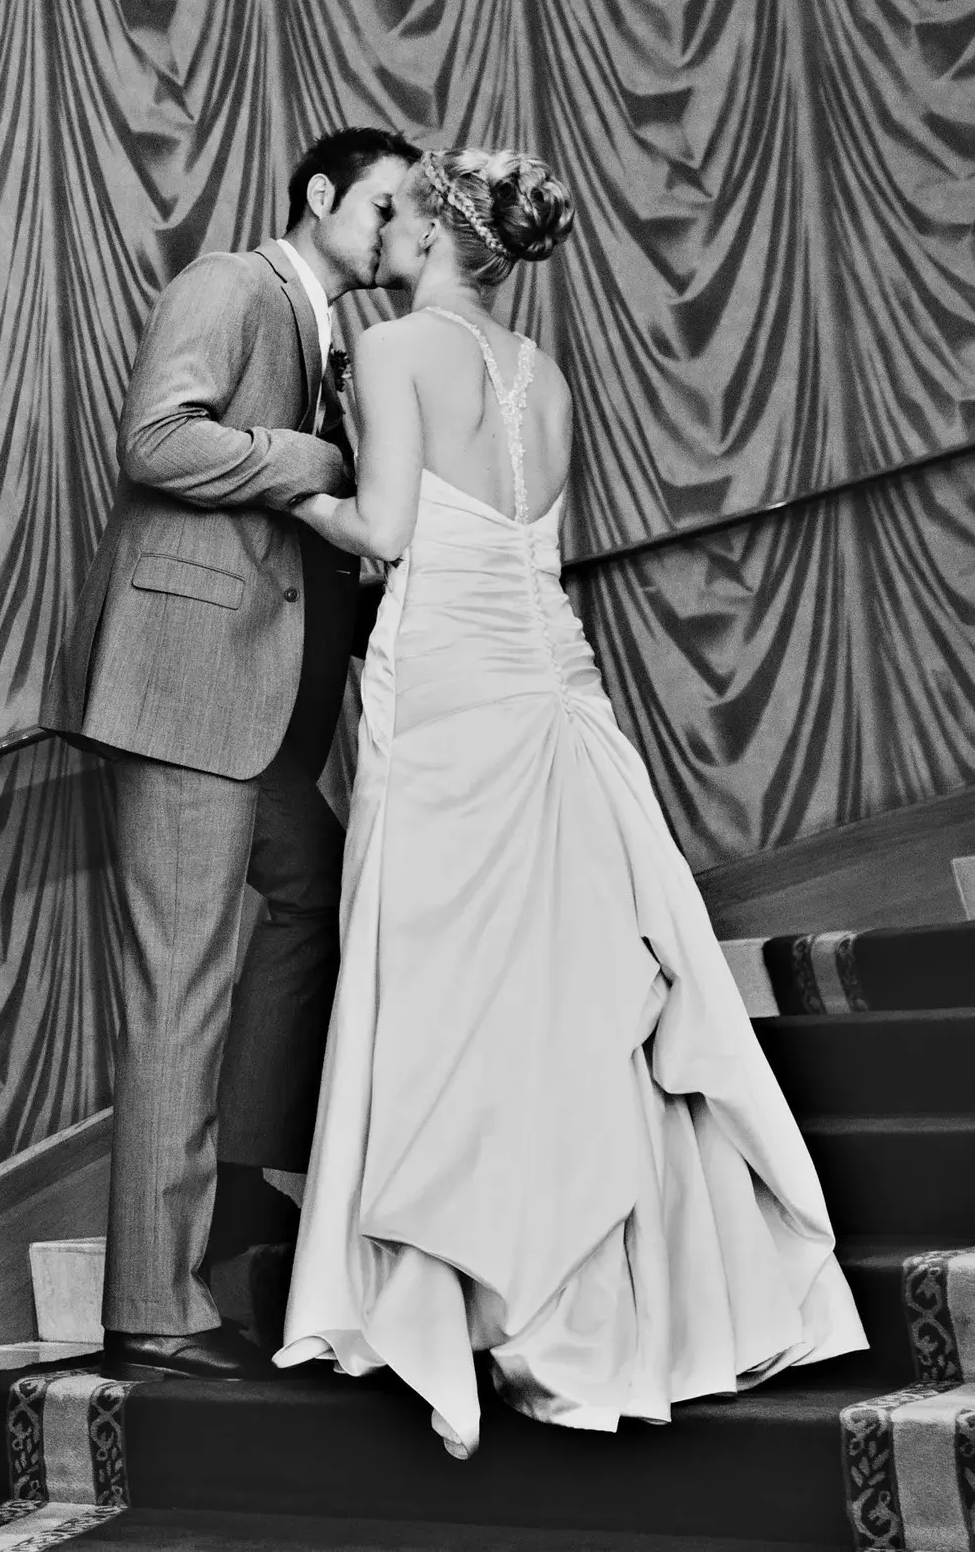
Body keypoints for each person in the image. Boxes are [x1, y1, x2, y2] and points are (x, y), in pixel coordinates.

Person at [276, 148, 866, 1454]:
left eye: (395, 208)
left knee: (447, 988)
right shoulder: (546, 370)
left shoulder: (392, 349)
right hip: (547, 673)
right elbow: (527, 538)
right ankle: (591, 1305)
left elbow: (385, 534)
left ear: (436, 227)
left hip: (443, 690)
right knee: (564, 983)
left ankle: (476, 1292)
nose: (379, 228)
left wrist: (286, 483)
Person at [44, 128, 419, 1381]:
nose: (394, 229)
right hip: (186, 695)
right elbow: (156, 440)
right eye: (381, 206)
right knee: (180, 983)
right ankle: (150, 1303)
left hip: (253, 714)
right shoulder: (230, 283)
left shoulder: (328, 332)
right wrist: (314, 460)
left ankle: (246, 1192)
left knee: (310, 894)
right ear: (319, 197)